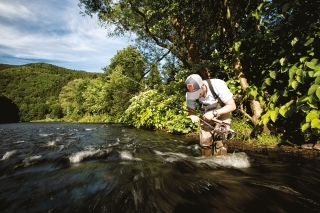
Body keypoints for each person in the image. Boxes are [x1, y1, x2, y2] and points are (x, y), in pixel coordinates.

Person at [185, 74, 236, 157]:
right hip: (205, 113)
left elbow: (232, 106)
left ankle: (220, 164)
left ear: (203, 85)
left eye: (198, 93)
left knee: (220, 141)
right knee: (205, 142)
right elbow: (191, 111)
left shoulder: (218, 85)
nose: (196, 96)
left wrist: (214, 113)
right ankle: (206, 163)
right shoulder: (190, 93)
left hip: (223, 111)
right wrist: (192, 116)